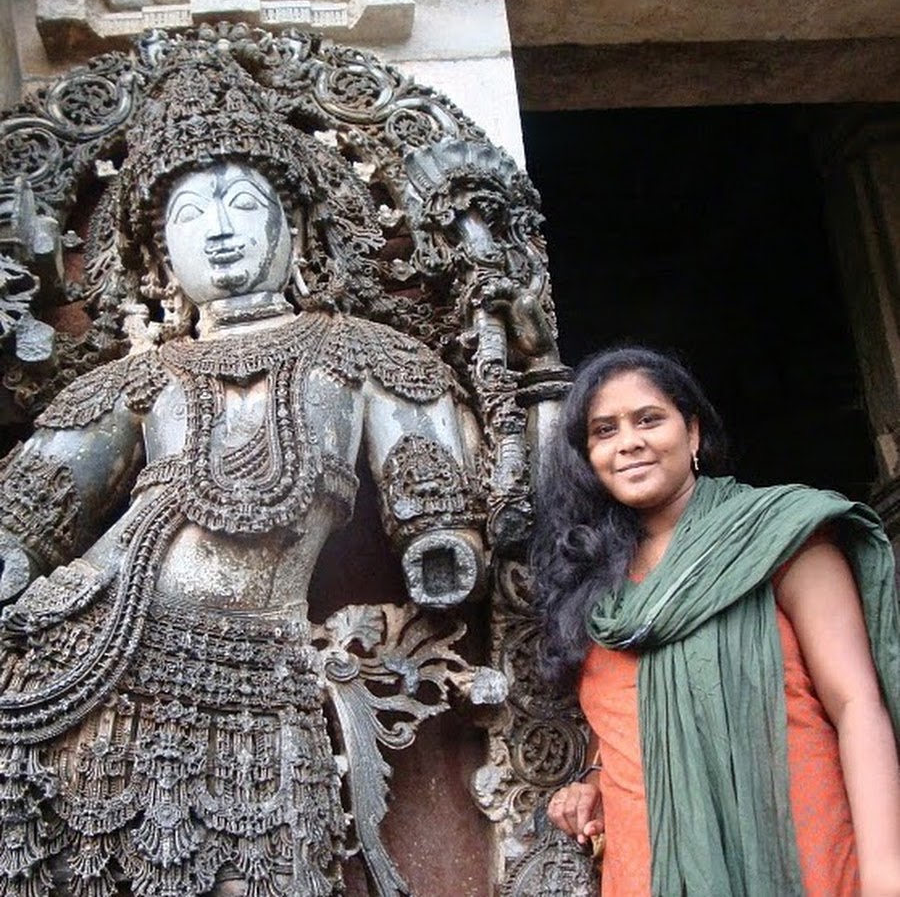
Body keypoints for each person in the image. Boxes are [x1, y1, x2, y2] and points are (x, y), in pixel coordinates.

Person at [0, 63, 484, 895]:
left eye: (244, 205)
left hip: (260, 660)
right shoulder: (144, 376)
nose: (219, 232)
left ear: (295, 225)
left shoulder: (363, 355)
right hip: (98, 639)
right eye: (190, 215)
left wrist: (441, 542)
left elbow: (431, 489)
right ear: (160, 255)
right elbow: (38, 498)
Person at [531, 345, 900, 897]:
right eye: (604, 431)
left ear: (693, 433)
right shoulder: (592, 587)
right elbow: (628, 724)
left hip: (801, 860)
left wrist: (886, 874)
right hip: (649, 875)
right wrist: (592, 784)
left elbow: (856, 704)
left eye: (648, 419)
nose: (628, 441)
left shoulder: (775, 537)